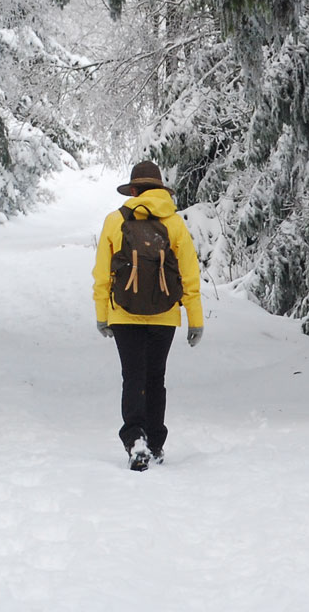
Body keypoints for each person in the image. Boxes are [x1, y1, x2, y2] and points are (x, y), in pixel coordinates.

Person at [93, 160, 203, 471]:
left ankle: (134, 439)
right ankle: (155, 442)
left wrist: (102, 313)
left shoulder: (115, 221)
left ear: (134, 190)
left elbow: (102, 274)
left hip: (123, 313)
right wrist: (195, 320)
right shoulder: (176, 224)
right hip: (165, 315)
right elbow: (189, 278)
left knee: (133, 377)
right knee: (156, 378)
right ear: (160, 190)